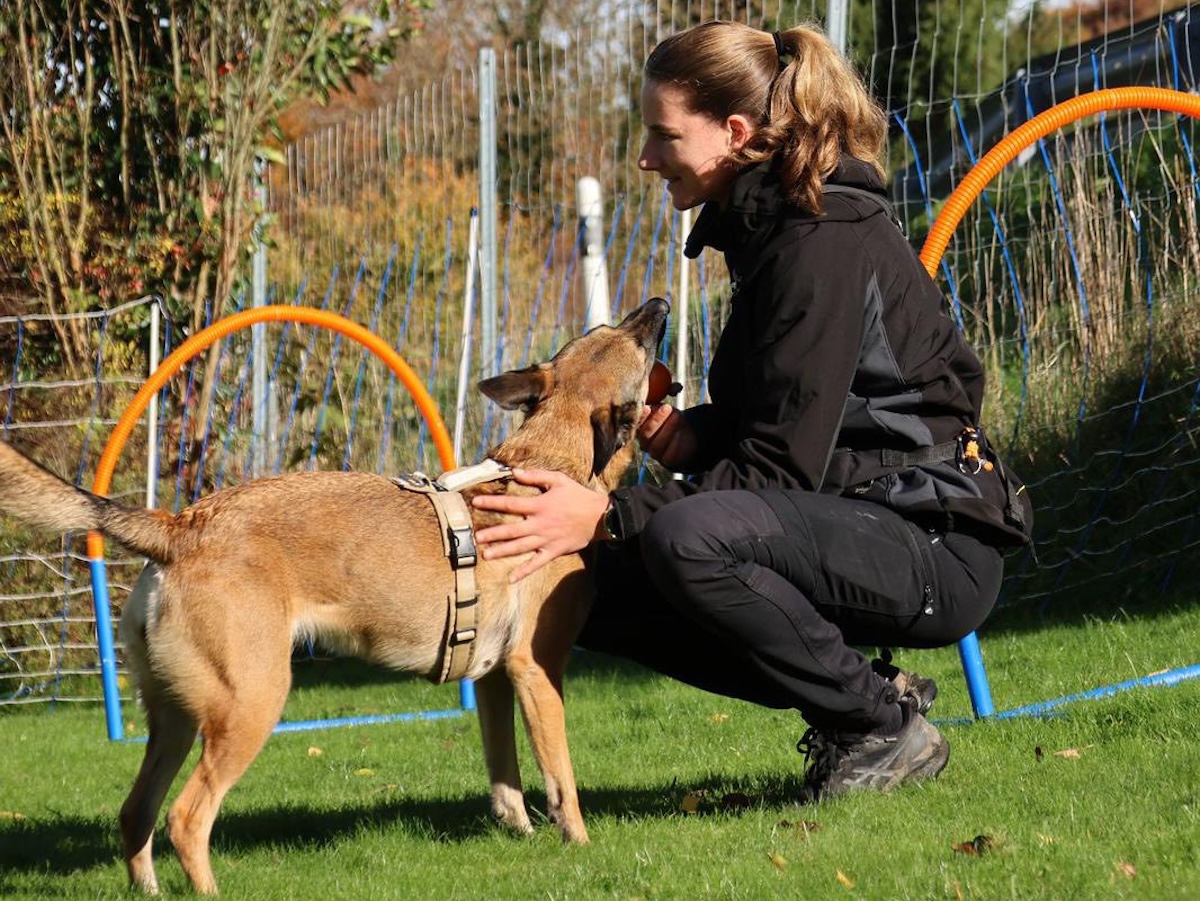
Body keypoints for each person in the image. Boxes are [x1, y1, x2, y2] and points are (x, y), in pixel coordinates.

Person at [471, 20, 1032, 801]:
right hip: (857, 516)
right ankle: (864, 694)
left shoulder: (822, 242)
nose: (645, 157)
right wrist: (689, 436)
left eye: (664, 135)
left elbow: (781, 471)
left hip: (934, 538)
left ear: (735, 133)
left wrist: (605, 513)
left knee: (679, 538)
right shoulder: (771, 230)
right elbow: (783, 422)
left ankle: (877, 724)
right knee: (586, 581)